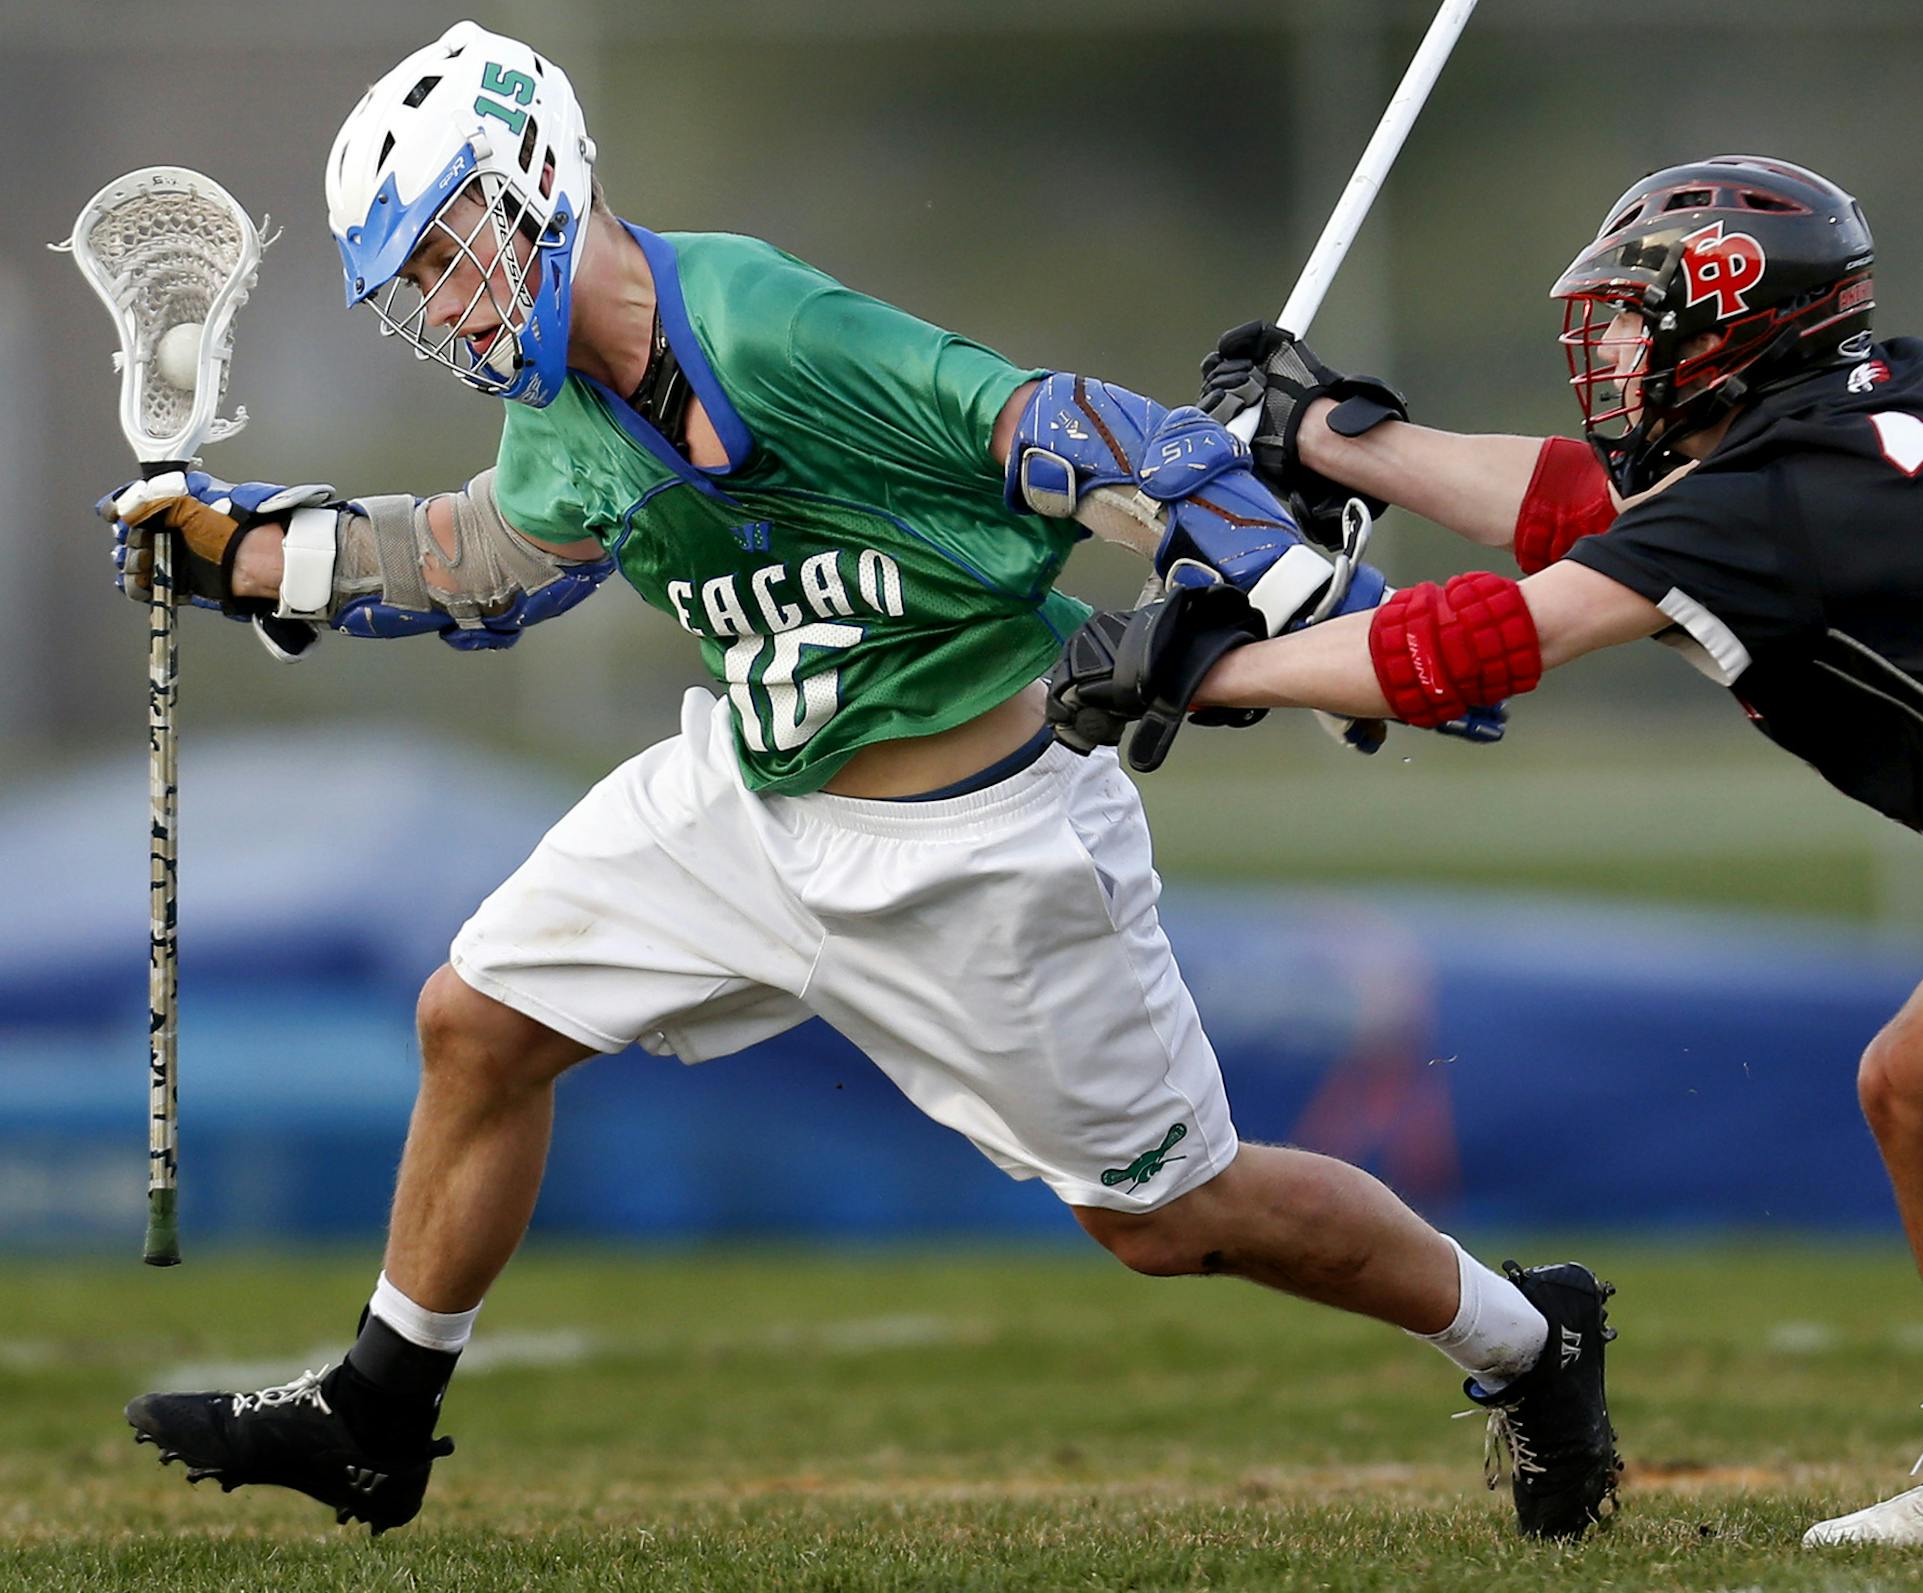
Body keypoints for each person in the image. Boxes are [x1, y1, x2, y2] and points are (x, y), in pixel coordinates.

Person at [104, 21, 1620, 1541]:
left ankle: (1529, 1338)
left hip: (982, 847)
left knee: (1170, 1218)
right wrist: (254, 552)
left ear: (541, 184)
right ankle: (379, 1412)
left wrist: (1304, 598)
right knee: (475, 1020)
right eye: (418, 285)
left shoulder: (769, 328)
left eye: (449, 255)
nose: (445, 306)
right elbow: (487, 557)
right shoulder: (558, 401)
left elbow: (1051, 428)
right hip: (747, 803)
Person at [1049, 154, 1923, 1549]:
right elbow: (1597, 512)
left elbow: (1473, 645)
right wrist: (1335, 436)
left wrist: (1211, 669)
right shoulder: (1869, 418)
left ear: (1732, 319)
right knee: (1917, 1088)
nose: (1613, 356)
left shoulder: (1774, 497)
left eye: (1637, 323)